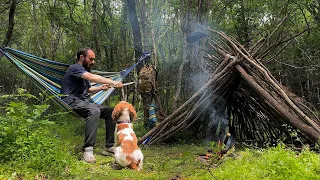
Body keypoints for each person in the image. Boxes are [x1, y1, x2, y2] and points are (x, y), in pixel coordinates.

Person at [61, 47, 123, 163]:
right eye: (91, 59)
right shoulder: (75, 68)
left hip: (83, 101)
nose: (93, 62)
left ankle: (109, 146)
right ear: (82, 57)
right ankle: (88, 150)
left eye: (94, 59)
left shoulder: (85, 70)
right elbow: (93, 78)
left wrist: (100, 87)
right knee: (94, 110)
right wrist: (112, 82)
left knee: (111, 111)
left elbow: (88, 89)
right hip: (71, 100)